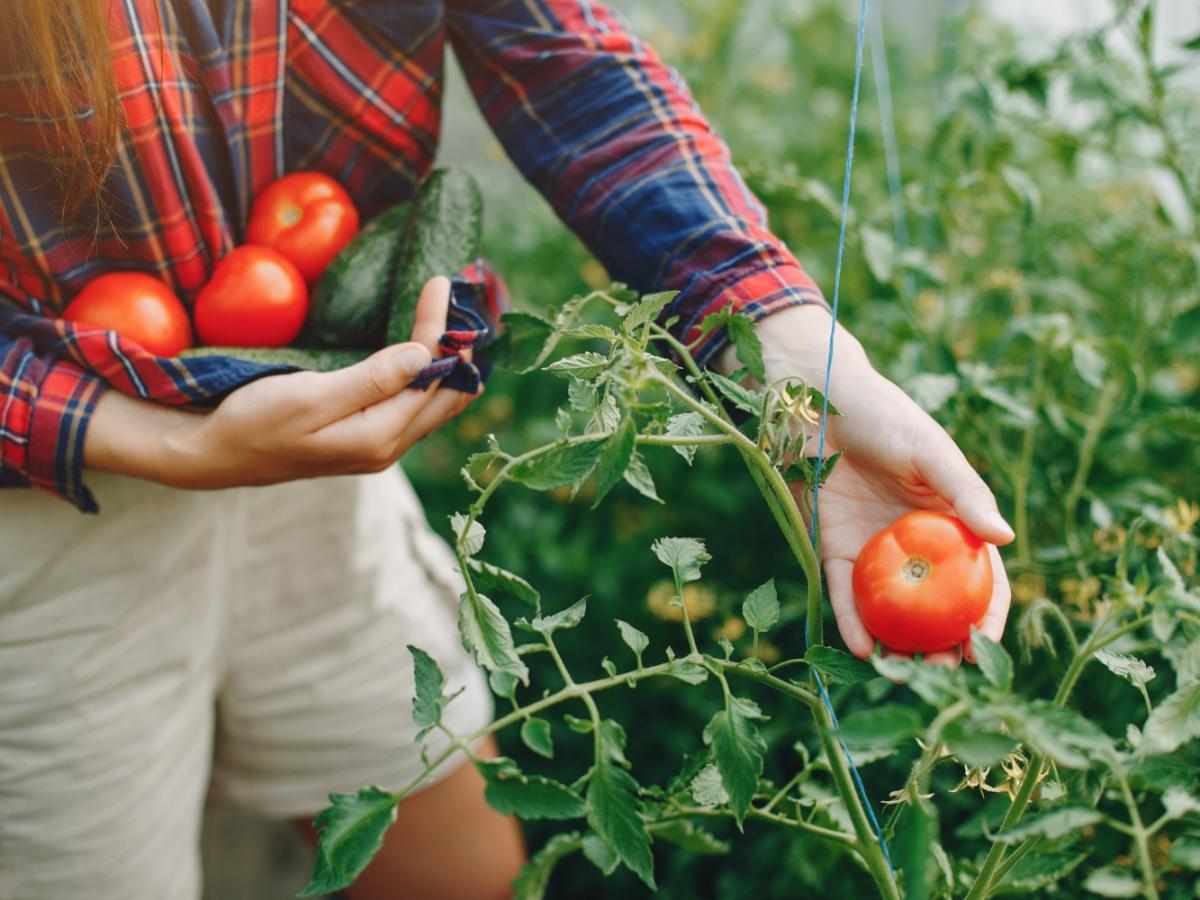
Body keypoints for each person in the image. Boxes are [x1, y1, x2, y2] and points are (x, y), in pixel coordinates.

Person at [0, 2, 1013, 898]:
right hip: (40, 523)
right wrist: (137, 437)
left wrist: (788, 346)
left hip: (310, 444)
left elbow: (561, 57)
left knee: (455, 870)